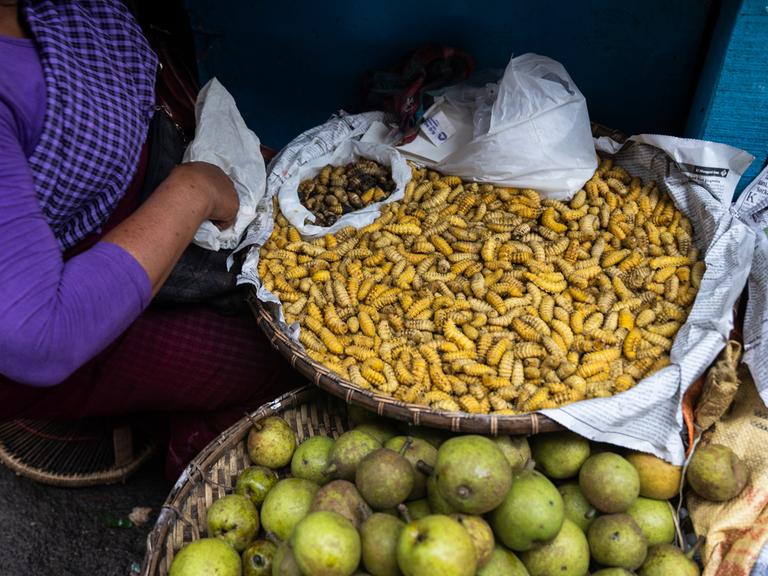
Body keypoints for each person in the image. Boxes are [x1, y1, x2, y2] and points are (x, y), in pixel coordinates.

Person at [0, 0, 302, 478]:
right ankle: (163, 434)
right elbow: (37, 337)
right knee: (282, 358)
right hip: (46, 314)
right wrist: (193, 189)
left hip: (125, 178)